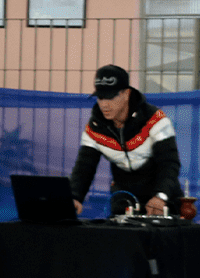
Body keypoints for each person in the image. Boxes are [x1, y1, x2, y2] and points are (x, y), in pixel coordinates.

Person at [70, 63, 180, 216]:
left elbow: (169, 163)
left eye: (111, 96)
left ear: (127, 93)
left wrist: (161, 196)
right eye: (100, 97)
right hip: (124, 200)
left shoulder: (156, 120)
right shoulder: (94, 128)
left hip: (162, 200)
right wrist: (75, 197)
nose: (104, 104)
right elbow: (84, 167)